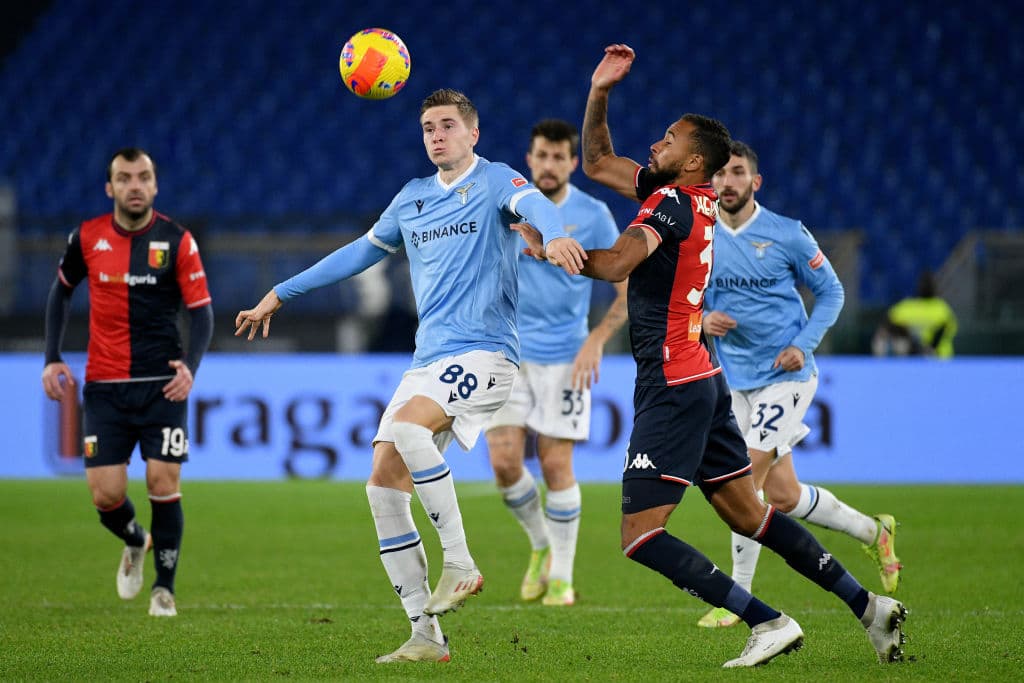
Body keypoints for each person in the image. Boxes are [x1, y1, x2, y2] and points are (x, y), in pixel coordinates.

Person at [517, 44, 908, 668]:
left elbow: (617, 263)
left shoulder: (672, 203)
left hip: (674, 383)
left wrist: (553, 251)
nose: (655, 144)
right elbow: (595, 161)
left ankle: (768, 621)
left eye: (668, 139)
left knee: (640, 535)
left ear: (693, 160)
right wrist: (599, 91)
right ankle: (870, 608)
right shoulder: (682, 197)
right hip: (702, 375)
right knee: (752, 514)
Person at [234, 89, 586, 664]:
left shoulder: (496, 180)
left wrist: (557, 234)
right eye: (428, 128)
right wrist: (281, 292)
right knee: (381, 486)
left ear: (474, 133)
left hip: (486, 353)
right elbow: (356, 254)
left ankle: (462, 562)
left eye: (448, 125)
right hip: (429, 360)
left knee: (406, 430)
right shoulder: (412, 199)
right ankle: (425, 634)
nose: (437, 135)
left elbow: (536, 209)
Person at [696, 141, 901, 629]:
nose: (727, 182)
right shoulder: (702, 235)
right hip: (734, 379)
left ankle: (738, 598)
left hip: (786, 375)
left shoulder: (786, 234)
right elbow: (684, 295)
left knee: (742, 480)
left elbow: (833, 290)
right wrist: (702, 318)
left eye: (737, 173)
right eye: (720, 173)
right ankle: (875, 532)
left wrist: (804, 344)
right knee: (783, 496)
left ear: (755, 182)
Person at [41, 147, 214, 618]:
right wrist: (52, 357)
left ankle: (164, 589)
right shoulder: (87, 237)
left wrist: (190, 369)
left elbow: (202, 314)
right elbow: (61, 292)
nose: (134, 185)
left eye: (143, 177)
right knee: (107, 495)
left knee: (163, 479)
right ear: (110, 188)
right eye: (125, 178)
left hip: (163, 383)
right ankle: (136, 540)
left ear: (155, 185)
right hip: (105, 385)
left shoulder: (177, 240)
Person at [484, 119, 628, 607]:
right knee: (504, 464)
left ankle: (562, 579)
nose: (548, 165)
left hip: (567, 357)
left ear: (572, 163)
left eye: (558, 158)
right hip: (507, 353)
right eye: (540, 156)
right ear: (530, 159)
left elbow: (626, 289)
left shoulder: (592, 215)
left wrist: (597, 339)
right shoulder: (507, 210)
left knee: (554, 464)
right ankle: (543, 547)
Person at [879, 271, 958, 358]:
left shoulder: (906, 307)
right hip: (940, 360)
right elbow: (950, 331)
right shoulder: (943, 309)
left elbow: (886, 325)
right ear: (935, 288)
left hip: (916, 361)